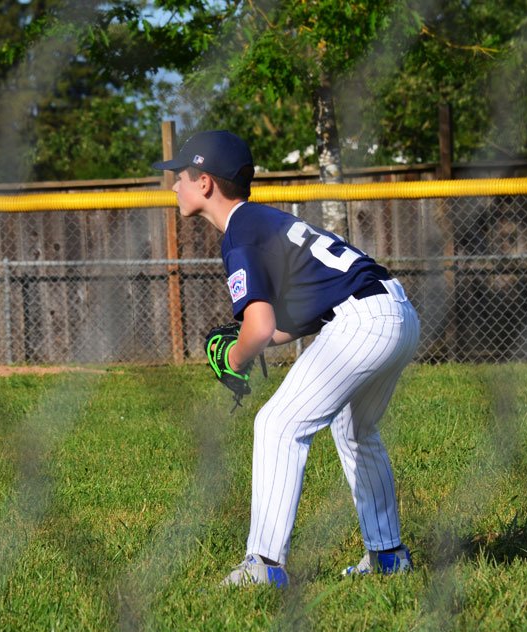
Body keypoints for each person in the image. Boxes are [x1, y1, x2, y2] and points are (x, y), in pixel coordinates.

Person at [153, 130, 421, 586]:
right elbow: (287, 320)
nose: (174, 184)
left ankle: (264, 564)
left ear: (205, 183)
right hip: (395, 311)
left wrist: (235, 357)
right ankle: (388, 556)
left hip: (363, 320)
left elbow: (257, 328)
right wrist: (250, 339)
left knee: (277, 424)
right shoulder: (262, 221)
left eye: (181, 175)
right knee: (355, 429)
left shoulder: (239, 233)